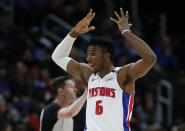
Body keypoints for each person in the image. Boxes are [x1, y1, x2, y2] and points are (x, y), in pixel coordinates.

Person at [52, 8, 157, 131]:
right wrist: (74, 32)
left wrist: (126, 31)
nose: (88, 58)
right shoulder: (88, 74)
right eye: (87, 54)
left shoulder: (122, 75)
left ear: (106, 57)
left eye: (93, 54)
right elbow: (57, 57)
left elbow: (150, 58)